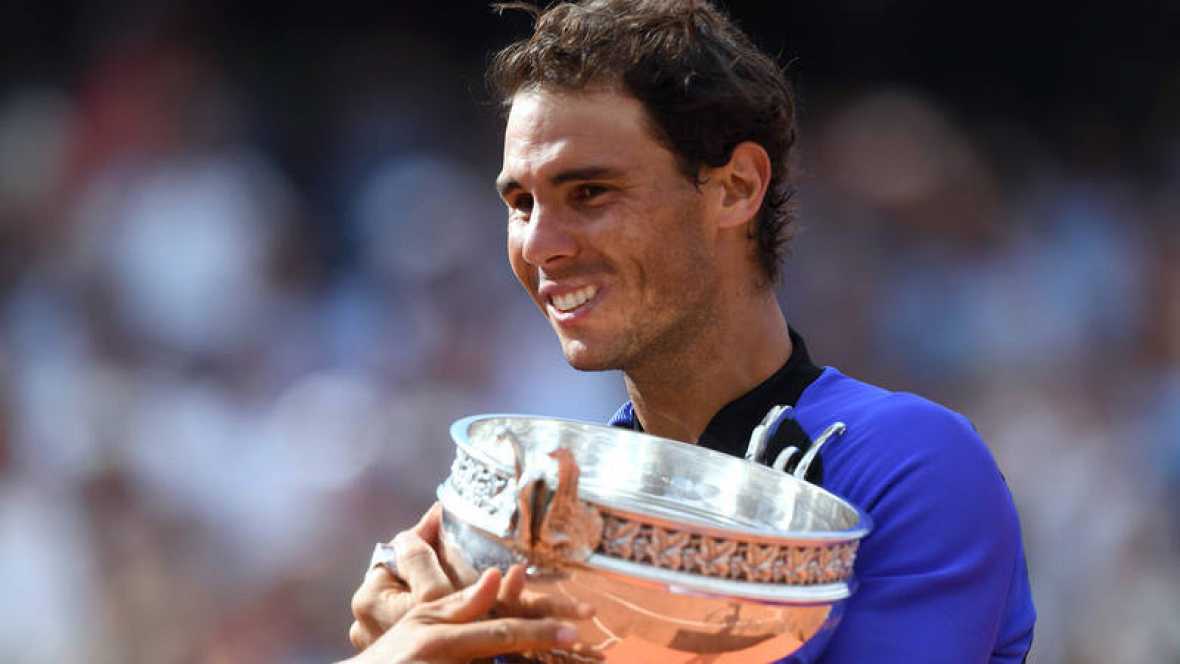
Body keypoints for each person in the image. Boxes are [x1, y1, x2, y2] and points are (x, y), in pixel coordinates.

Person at [343, 1, 1036, 662]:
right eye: (522, 203)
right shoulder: (541, 511)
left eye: (589, 193)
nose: (540, 245)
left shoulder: (907, 468)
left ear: (735, 188)